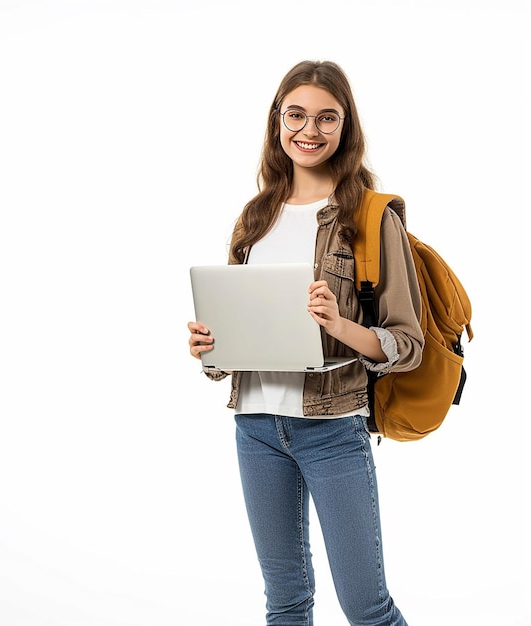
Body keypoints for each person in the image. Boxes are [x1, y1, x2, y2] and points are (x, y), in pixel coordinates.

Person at [187, 60, 424, 626]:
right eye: (296, 114)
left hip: (333, 429)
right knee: (286, 605)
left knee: (368, 609)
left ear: (346, 128)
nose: (309, 130)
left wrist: (340, 325)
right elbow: (237, 342)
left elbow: (408, 343)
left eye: (327, 118)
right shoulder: (256, 217)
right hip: (255, 427)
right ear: (277, 121)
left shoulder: (368, 216)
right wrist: (209, 348)